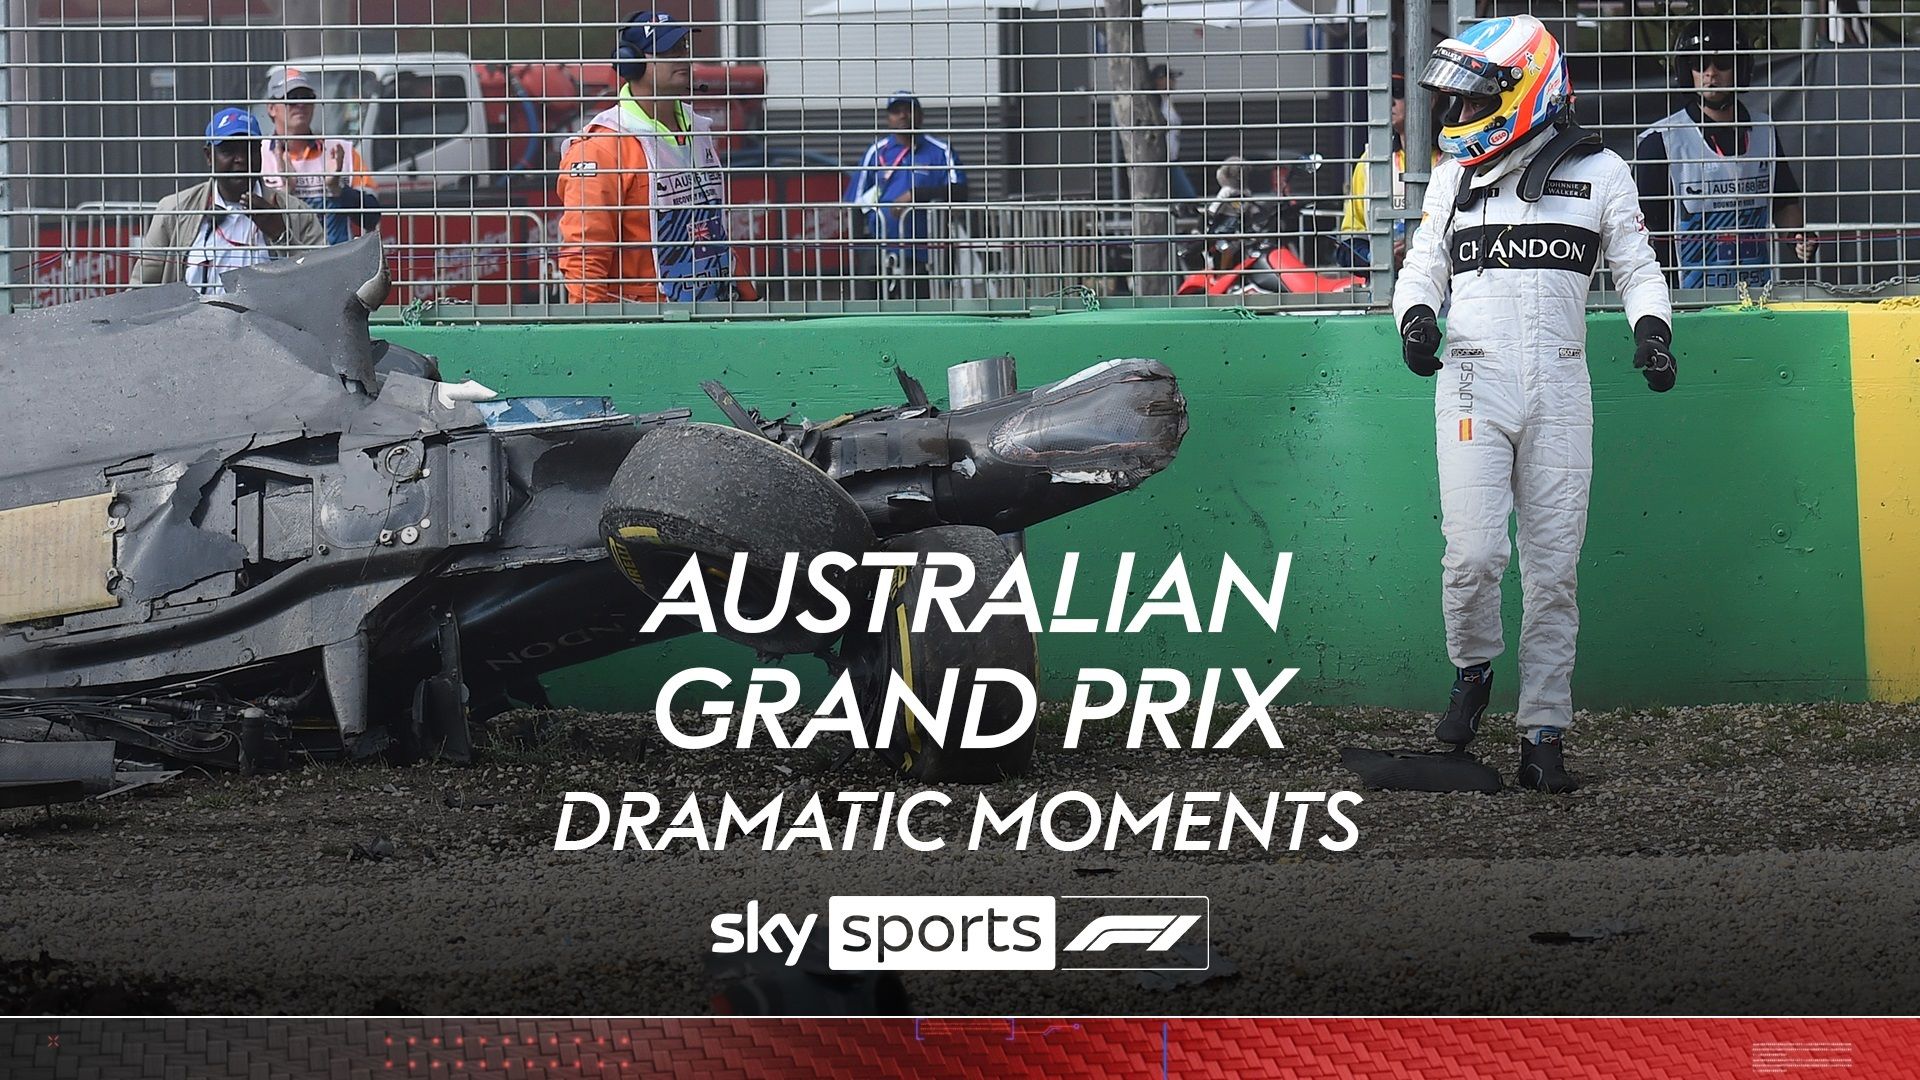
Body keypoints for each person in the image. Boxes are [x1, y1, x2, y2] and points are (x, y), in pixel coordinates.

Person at [1393, 15, 1675, 793]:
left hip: (1561, 387)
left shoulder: (1603, 171)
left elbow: (1638, 268)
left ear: (1528, 90)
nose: (1459, 113)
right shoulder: (1453, 177)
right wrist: (1415, 319)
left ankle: (1543, 734)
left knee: (1553, 574)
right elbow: (1422, 269)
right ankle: (1473, 671)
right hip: (1471, 380)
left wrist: (1653, 333)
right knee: (1474, 555)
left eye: (1473, 98)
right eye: (1456, 100)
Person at [555, 11, 753, 303]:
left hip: (713, 309)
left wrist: (748, 296)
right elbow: (585, 255)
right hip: (644, 318)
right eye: (667, 50)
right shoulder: (601, 147)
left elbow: (714, 230)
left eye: (683, 47)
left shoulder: (698, 129)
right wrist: (592, 325)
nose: (682, 57)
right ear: (631, 63)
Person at [1634, 19, 1814, 288]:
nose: (1711, 73)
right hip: (1683, 295)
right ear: (1687, 71)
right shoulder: (1662, 140)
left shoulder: (1763, 131)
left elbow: (1784, 200)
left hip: (1754, 293)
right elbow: (1642, 228)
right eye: (1700, 64)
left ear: (1740, 68)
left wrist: (1796, 237)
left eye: (1722, 63)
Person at [134, 107, 323, 293]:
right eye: (228, 150)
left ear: (259, 152)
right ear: (209, 156)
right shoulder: (174, 211)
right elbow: (139, 290)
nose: (240, 159)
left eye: (248, 149)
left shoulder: (297, 212)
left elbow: (324, 282)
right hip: (192, 315)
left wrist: (280, 235)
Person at [845, 91, 967, 300]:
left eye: (908, 110)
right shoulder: (876, 152)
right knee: (868, 313)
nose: (903, 116)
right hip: (878, 251)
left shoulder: (940, 151)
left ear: (920, 115)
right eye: (896, 111)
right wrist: (860, 252)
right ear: (888, 118)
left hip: (922, 254)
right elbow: (856, 203)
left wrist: (914, 195)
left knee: (916, 312)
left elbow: (959, 191)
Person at [260, 68, 383, 246]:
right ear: (271, 108)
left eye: (306, 97)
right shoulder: (257, 154)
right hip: (281, 260)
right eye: (292, 98)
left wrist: (337, 189)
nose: (300, 104)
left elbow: (372, 217)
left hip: (334, 260)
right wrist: (285, 192)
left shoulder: (341, 151)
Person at [1339, 73, 1443, 269]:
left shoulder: (1450, 159)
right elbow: (1348, 243)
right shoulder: (1370, 161)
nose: (1390, 101)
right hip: (1387, 283)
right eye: (1385, 92)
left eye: (1398, 91)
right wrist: (1377, 257)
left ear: (1430, 100)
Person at [1151, 63, 1200, 206]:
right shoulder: (1154, 101)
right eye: (1170, 78)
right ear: (1159, 80)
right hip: (1161, 160)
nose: (1174, 82)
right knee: (1187, 197)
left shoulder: (1167, 100)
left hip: (1172, 159)